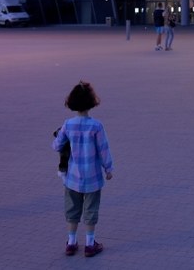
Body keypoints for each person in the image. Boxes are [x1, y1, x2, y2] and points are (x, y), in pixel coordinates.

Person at [53, 81, 113, 257]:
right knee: (91, 208)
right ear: (92, 102)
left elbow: (57, 146)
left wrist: (57, 139)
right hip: (93, 176)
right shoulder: (96, 126)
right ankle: (89, 243)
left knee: (72, 208)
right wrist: (108, 169)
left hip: (72, 177)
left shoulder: (68, 124)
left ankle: (71, 242)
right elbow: (104, 149)